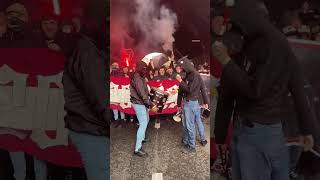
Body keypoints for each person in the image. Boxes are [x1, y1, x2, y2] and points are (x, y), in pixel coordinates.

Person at [212, 0, 316, 180]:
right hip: (274, 132)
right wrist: (308, 130)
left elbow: (252, 91)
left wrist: (226, 61)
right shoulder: (274, 45)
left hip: (255, 133)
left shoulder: (260, 46)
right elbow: (299, 91)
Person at [62, 2, 109, 179]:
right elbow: (101, 97)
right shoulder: (87, 51)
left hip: (86, 127)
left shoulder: (87, 47)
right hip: (91, 131)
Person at [176, 57, 209, 153]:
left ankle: (191, 146)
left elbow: (189, 90)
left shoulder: (195, 75)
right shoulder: (189, 75)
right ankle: (187, 141)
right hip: (191, 103)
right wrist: (178, 104)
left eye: (182, 67)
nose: (181, 69)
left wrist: (180, 81)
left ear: (186, 65)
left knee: (189, 125)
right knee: (189, 124)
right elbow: (181, 91)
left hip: (191, 103)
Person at [130, 61, 152, 157]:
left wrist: (150, 93)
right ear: (139, 68)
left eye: (145, 68)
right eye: (143, 68)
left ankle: (142, 138)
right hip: (139, 103)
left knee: (146, 120)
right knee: (143, 124)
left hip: (141, 102)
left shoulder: (140, 77)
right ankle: (137, 149)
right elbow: (141, 93)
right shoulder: (137, 77)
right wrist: (150, 104)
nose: (145, 70)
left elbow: (144, 91)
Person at [110, 62, 126, 128]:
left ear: (118, 66)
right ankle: (117, 120)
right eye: (113, 65)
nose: (114, 66)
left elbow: (124, 82)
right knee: (114, 107)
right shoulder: (110, 73)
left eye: (116, 65)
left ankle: (122, 120)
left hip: (120, 92)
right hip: (113, 92)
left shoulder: (121, 73)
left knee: (121, 106)